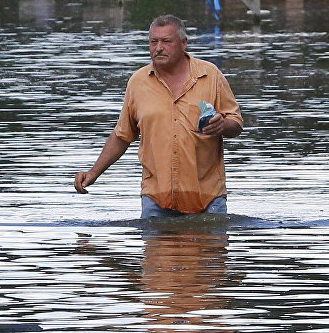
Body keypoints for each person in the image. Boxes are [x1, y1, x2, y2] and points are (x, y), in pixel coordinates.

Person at [74, 14, 244, 219]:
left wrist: (223, 125)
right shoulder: (138, 83)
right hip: (156, 197)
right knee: (157, 250)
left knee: (208, 250)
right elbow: (122, 136)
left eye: (166, 41)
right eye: (153, 42)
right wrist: (93, 173)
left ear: (183, 44)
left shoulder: (210, 76)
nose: (158, 48)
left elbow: (236, 123)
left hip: (207, 197)